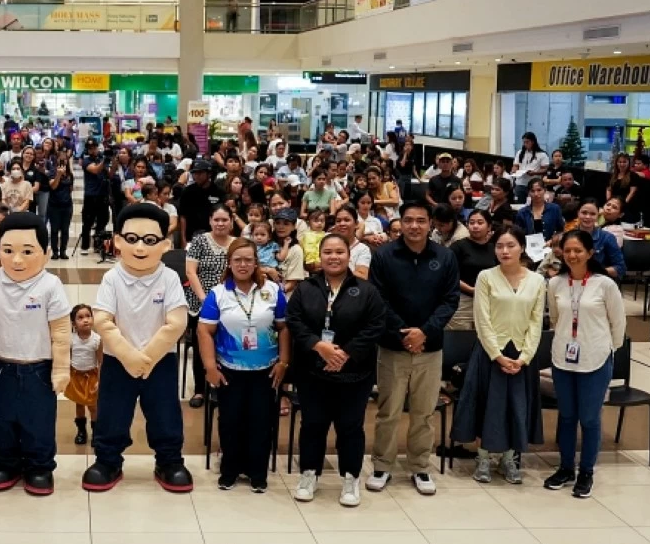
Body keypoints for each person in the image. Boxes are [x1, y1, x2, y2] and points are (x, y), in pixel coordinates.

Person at [84, 204, 189, 492]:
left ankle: (169, 460)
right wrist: (128, 355)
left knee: (165, 412)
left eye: (150, 240)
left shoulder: (168, 278)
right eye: (132, 239)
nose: (140, 247)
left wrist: (146, 358)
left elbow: (176, 323)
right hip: (119, 361)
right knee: (112, 412)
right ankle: (107, 460)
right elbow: (102, 321)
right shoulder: (112, 278)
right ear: (118, 241)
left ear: (165, 245)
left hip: (161, 360)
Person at [285, 233, 386, 507]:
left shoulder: (366, 290)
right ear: (320, 255)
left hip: (355, 372)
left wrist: (345, 352)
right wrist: (320, 346)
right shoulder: (307, 288)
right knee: (313, 424)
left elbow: (375, 325)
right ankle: (309, 474)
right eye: (328, 252)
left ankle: (351, 477)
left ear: (348, 255)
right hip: (312, 370)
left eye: (339, 252)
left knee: (350, 426)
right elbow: (294, 321)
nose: (334, 257)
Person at [367, 199, 460, 496]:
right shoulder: (384, 255)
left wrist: (425, 332)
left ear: (430, 222)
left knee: (423, 411)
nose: (415, 226)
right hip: (393, 346)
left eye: (421, 220)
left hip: (430, 348)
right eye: (409, 220)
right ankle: (382, 465)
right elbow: (379, 299)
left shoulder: (445, 257)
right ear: (401, 222)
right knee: (388, 410)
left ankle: (420, 467)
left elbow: (450, 300)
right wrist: (405, 334)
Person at [0, 213, 70, 494]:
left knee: (37, 421)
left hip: (37, 367)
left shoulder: (50, 285)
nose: (17, 260)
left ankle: (39, 466)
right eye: (8, 251)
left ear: (46, 253)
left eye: (27, 252)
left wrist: (62, 369)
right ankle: (4, 462)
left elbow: (61, 332)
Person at [450, 226, 545, 485]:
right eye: (500, 246)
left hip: (522, 354)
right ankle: (483, 458)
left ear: (522, 248)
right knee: (487, 405)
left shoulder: (536, 281)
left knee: (516, 406)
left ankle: (509, 458)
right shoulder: (486, 277)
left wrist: (524, 357)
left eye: (510, 245)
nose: (505, 251)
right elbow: (482, 320)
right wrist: (497, 355)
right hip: (491, 352)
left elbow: (537, 323)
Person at [197, 237, 289, 493]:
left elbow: (283, 328)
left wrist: (283, 361)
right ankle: (230, 470)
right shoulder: (218, 293)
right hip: (229, 370)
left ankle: (257, 472)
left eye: (248, 259)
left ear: (256, 262)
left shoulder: (272, 290)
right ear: (229, 263)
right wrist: (210, 367)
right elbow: (204, 331)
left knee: (261, 421)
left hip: (266, 370)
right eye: (237, 259)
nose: (243, 264)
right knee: (230, 421)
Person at [543, 229, 625, 498]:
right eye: (567, 251)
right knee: (567, 416)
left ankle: (586, 471)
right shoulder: (555, 284)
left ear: (590, 253)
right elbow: (555, 319)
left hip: (596, 358)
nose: (572, 255)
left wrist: (607, 349)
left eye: (578, 250)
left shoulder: (605, 285)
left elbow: (618, 323)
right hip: (563, 359)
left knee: (589, 419)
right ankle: (566, 467)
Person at [184, 205, 235, 409]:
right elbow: (191, 272)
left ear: (231, 221)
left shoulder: (237, 244)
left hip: (231, 302)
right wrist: (207, 300)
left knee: (229, 345)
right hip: (202, 302)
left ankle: (225, 386)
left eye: (224, 220)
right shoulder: (199, 241)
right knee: (201, 347)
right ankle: (200, 389)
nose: (220, 224)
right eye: (217, 220)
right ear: (210, 221)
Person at [446, 210, 498, 331]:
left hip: (489, 299)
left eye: (480, 222)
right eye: (472, 222)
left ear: (489, 226)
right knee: (460, 339)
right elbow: (449, 275)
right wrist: (471, 289)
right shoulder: (458, 246)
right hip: (462, 300)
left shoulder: (494, 248)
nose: (475, 226)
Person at [66, 304, 101, 446]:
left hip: (91, 376)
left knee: (93, 406)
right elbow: (67, 359)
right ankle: (81, 431)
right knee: (79, 404)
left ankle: (96, 433)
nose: (85, 320)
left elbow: (100, 361)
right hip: (75, 376)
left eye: (88, 316)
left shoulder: (97, 340)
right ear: (74, 323)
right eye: (80, 318)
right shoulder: (71, 339)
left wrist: (100, 380)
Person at [575, 198, 626, 280]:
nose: (588, 217)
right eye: (584, 213)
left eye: (592, 214)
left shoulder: (607, 238)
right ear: (578, 213)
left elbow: (620, 268)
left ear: (598, 215)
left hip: (598, 282)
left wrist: (598, 270)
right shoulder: (568, 236)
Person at [80, 138, 111, 255]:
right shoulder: (86, 161)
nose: (92, 150)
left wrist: (114, 162)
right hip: (91, 195)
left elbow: (110, 174)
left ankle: (98, 245)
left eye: (94, 148)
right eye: (90, 148)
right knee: (88, 222)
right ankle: (85, 246)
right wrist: (104, 161)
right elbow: (95, 170)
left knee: (102, 221)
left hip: (103, 194)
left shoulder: (101, 158)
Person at [515, 178, 565, 242]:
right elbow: (518, 235)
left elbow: (561, 230)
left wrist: (552, 241)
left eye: (539, 190)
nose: (536, 194)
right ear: (529, 193)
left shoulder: (555, 208)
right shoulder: (522, 212)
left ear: (545, 190)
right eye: (532, 191)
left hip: (551, 246)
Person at [47, 148, 75, 259]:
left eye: (65, 160)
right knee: (54, 230)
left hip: (67, 205)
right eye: (60, 159)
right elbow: (53, 186)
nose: (63, 162)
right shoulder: (52, 172)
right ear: (56, 160)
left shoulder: (70, 174)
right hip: (54, 205)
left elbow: (71, 189)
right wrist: (58, 175)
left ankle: (63, 251)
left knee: (65, 230)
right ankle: (55, 251)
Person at [511, 132, 549, 204]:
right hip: (520, 183)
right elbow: (515, 165)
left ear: (533, 142)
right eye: (524, 142)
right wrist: (514, 171)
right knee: (518, 203)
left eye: (527, 142)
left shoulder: (542, 154)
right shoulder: (520, 152)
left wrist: (534, 172)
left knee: (533, 204)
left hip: (534, 183)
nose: (525, 144)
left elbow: (545, 169)